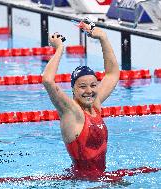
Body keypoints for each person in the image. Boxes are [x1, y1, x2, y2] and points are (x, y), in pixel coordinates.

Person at [42, 20, 120, 180]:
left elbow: (112, 74)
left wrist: (103, 38)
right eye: (82, 86)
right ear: (73, 90)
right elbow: (48, 80)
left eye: (93, 85)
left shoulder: (95, 105)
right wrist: (59, 49)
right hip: (84, 182)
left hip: (98, 179)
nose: (89, 91)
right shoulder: (72, 112)